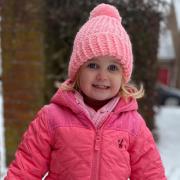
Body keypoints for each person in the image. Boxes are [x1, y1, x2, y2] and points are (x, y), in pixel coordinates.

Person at [5, 3, 166, 180]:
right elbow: (25, 170)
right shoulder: (51, 119)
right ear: (78, 70)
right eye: (93, 65)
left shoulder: (133, 125)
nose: (102, 76)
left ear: (123, 76)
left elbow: (151, 174)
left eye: (112, 67)